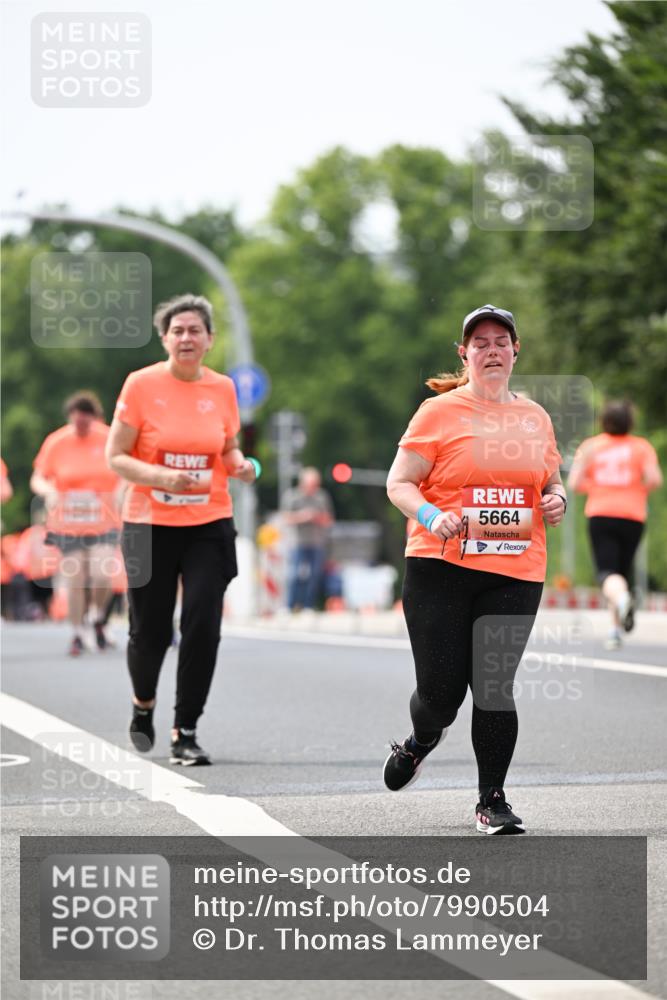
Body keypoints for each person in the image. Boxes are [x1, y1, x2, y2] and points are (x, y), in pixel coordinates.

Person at [384, 304, 566, 835]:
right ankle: (422, 739)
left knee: (493, 685)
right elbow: (399, 483)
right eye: (479, 342)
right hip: (439, 565)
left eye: (500, 340)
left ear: (515, 351)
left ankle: (492, 801)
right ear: (464, 355)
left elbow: (549, 483)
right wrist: (431, 514)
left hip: (515, 567)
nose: (492, 349)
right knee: (442, 695)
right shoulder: (437, 412)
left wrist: (555, 499)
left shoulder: (534, 417)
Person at [106, 293, 258, 766]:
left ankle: (185, 729)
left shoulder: (222, 389)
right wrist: (162, 478)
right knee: (149, 632)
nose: (186, 337)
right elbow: (117, 456)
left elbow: (227, 448)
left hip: (208, 521)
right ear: (165, 338)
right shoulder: (141, 385)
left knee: (202, 623)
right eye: (177, 330)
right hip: (148, 521)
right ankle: (143, 704)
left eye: (195, 330)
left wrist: (242, 465)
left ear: (210, 340)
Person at [31, 392, 122, 655]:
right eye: (76, 422)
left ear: (95, 418)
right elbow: (38, 477)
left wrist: (119, 491)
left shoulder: (108, 438)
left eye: (86, 422)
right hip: (68, 521)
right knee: (75, 578)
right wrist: (48, 491)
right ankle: (77, 631)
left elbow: (125, 470)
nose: (80, 427)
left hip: (103, 519)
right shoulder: (57, 442)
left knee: (102, 573)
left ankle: (96, 615)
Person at [568, 400, 662, 650]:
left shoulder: (590, 447)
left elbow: (575, 483)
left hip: (601, 512)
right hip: (632, 515)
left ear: (603, 421)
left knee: (608, 574)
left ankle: (621, 602)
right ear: (630, 422)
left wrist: (597, 488)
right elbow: (654, 479)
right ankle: (615, 629)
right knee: (621, 571)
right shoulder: (641, 447)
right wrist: (636, 490)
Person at [281, 467, 334, 610]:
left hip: (317, 542)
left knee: (315, 575)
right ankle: (290, 605)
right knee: (295, 574)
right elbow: (285, 518)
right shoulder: (292, 496)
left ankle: (308, 605)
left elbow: (329, 520)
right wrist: (303, 516)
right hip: (297, 542)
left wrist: (317, 517)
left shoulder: (322, 497)